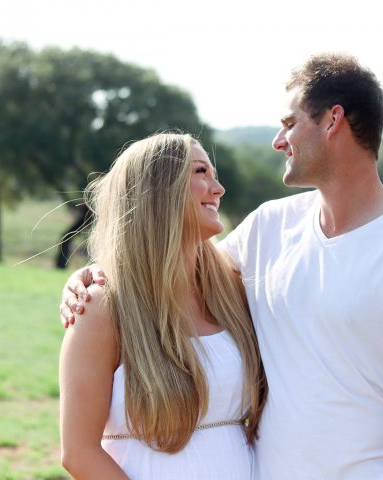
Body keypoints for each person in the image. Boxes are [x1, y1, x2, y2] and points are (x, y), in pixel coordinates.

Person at [63, 53, 383, 479]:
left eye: (289, 123)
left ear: (332, 121)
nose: (278, 140)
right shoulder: (268, 229)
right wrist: (88, 278)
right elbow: (164, 266)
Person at [58, 133, 268, 478]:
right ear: (160, 190)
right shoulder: (102, 307)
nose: (218, 189)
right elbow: (78, 453)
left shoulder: (233, 289)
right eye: (201, 172)